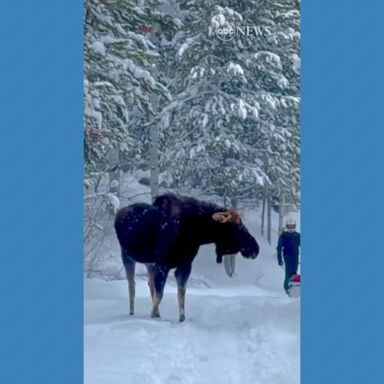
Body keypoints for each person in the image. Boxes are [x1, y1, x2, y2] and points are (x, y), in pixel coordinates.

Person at [277, 219, 300, 294]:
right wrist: (279, 259)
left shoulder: (297, 235)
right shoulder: (283, 235)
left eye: (292, 226)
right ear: (286, 226)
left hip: (295, 256)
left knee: (294, 272)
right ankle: (287, 289)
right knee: (288, 273)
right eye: (289, 226)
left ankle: (295, 289)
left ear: (294, 226)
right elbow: (279, 248)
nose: (290, 228)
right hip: (287, 256)